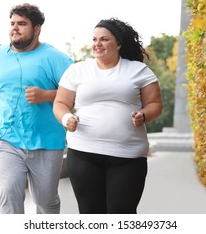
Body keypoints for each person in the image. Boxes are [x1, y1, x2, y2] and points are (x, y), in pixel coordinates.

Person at [53, 18, 163, 214]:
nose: (97, 44)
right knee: (90, 214)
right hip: (83, 153)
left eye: (104, 39)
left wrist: (143, 115)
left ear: (118, 44)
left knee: (122, 214)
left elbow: (155, 104)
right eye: (95, 39)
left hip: (128, 156)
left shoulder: (138, 70)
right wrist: (66, 118)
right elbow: (60, 103)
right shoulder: (77, 70)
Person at [0, 3, 73, 214]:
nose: (15, 28)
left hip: (46, 140)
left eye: (22, 24)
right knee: (9, 192)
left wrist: (47, 95)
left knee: (46, 202)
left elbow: (77, 92)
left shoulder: (57, 59)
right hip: (5, 136)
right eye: (12, 23)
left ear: (37, 29)